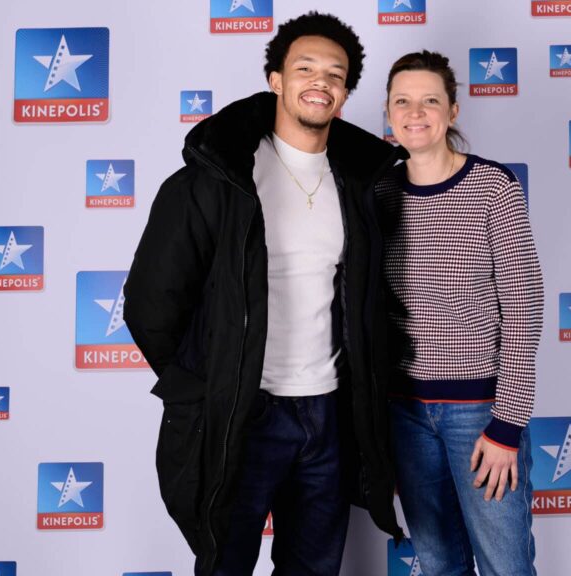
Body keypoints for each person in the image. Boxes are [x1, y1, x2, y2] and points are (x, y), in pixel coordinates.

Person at [124, 12, 404, 576]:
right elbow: (151, 302)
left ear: (345, 93)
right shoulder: (216, 178)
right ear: (275, 79)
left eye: (335, 73)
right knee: (225, 565)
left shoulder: (362, 185)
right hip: (244, 413)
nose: (320, 81)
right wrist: (205, 388)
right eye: (305, 68)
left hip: (328, 414)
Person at [376, 50, 544, 576]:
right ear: (387, 112)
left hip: (480, 414)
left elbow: (524, 305)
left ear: (453, 110)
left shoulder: (493, 187)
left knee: (506, 565)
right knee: (439, 563)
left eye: (430, 100)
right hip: (404, 413)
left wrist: (507, 425)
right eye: (402, 101)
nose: (415, 112)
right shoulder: (378, 192)